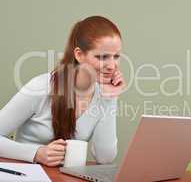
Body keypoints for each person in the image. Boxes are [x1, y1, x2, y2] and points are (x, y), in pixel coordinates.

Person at [0, 15, 125, 167]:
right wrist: (37, 153)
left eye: (116, 56)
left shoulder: (101, 94)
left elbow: (104, 158)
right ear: (79, 55)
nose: (112, 66)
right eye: (103, 57)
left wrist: (110, 98)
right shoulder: (41, 87)